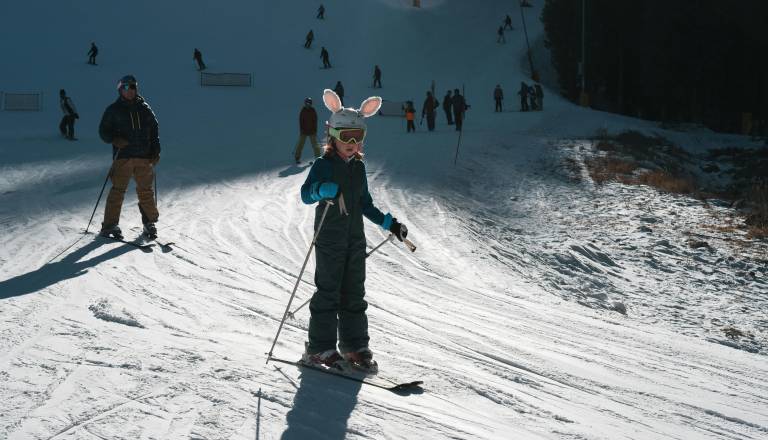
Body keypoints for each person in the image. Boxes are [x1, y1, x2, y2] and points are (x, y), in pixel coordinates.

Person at [299, 88, 408, 372]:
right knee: (329, 292)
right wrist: (321, 189)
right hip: (330, 238)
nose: (351, 143)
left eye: (357, 137)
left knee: (354, 293)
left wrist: (389, 223)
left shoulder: (358, 168)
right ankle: (318, 347)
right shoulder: (323, 165)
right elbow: (305, 194)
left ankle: (353, 345)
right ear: (333, 136)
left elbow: (365, 204)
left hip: (354, 240)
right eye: (345, 136)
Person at [98, 75, 161, 240]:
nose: (130, 90)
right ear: (120, 90)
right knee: (118, 190)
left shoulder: (145, 108)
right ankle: (110, 225)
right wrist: (114, 139)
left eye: (133, 87)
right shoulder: (113, 110)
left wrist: (156, 151)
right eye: (126, 87)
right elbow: (103, 132)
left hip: (144, 156)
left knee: (145, 191)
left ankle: (149, 223)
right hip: (123, 156)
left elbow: (154, 131)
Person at [294, 97, 321, 163]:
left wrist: (315, 130)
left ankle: (318, 158)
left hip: (312, 131)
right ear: (305, 103)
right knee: (300, 144)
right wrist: (301, 130)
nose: (308, 105)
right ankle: (297, 157)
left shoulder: (313, 110)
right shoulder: (303, 110)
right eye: (307, 103)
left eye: (309, 103)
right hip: (304, 131)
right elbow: (301, 121)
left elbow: (315, 121)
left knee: (315, 145)